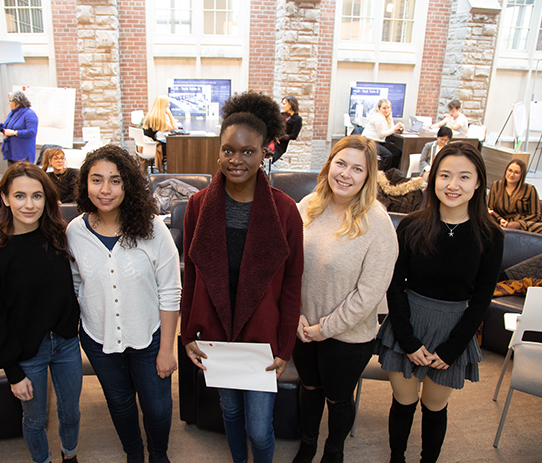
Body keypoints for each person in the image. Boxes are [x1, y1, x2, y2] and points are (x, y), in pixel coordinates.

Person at [181, 91, 304, 463]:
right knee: (230, 413)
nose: (236, 160)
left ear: (265, 151)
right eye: (228, 150)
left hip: (261, 342)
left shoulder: (285, 211)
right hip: (217, 337)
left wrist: (285, 347)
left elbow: (293, 284)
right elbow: (191, 277)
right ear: (219, 151)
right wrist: (187, 333)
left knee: (260, 427)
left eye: (247, 151)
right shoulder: (198, 205)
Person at [376, 142, 504, 463]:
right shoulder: (412, 225)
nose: (453, 185)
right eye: (445, 175)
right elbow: (395, 286)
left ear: (478, 183)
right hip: (409, 323)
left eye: (464, 177)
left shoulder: (490, 235)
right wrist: (406, 339)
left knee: (434, 407)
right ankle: (397, 458)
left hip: (453, 328)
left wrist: (453, 347)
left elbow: (481, 299)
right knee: (403, 402)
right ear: (433, 179)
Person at [67, 145, 181, 463]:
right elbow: (77, 282)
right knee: (120, 403)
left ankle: (158, 454)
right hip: (98, 338)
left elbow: (171, 291)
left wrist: (167, 349)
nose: (105, 190)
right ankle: (134, 453)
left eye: (115, 180)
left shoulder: (153, 229)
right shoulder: (75, 232)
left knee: (157, 407)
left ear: (128, 185)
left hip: (149, 336)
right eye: (97, 180)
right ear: (85, 184)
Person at [293, 135, 398, 463]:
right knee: (309, 389)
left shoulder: (377, 223)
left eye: (357, 169)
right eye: (341, 163)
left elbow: (370, 293)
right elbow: (287, 266)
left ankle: (333, 452)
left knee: (338, 399)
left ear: (368, 177)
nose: (346, 174)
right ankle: (307, 445)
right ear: (329, 165)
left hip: (347, 336)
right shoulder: (308, 205)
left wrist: (325, 329)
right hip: (302, 327)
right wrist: (294, 315)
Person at [0, 163, 82, 463]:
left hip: (65, 343)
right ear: (6, 198)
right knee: (35, 420)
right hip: (25, 352)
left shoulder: (60, 238)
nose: (29, 204)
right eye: (20, 196)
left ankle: (69, 454)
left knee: (72, 412)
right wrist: (13, 371)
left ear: (47, 199)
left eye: (37, 196)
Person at [487, 158, 542, 235]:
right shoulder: (496, 185)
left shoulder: (530, 189)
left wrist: (517, 223)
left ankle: (508, 229)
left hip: (524, 222)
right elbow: (489, 209)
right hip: (502, 220)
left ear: (522, 175)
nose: (511, 175)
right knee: (487, 223)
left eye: (516, 172)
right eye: (510, 170)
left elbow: (535, 215)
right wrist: (500, 219)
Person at [0, 90, 39, 165]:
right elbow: (7, 130)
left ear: (17, 103)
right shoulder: (12, 113)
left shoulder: (29, 114)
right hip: (11, 152)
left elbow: (31, 132)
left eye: (10, 101)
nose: (8, 103)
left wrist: (14, 133)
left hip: (23, 153)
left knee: (22, 175)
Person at [361, 99, 404, 171]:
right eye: (384, 108)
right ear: (379, 108)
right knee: (388, 155)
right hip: (370, 141)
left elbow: (391, 129)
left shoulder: (387, 117)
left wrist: (399, 127)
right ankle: (381, 175)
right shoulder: (378, 117)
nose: (386, 110)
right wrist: (394, 128)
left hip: (380, 141)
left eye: (388, 108)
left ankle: (391, 173)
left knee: (397, 152)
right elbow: (381, 134)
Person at [142, 95, 177, 172]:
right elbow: (174, 128)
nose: (169, 104)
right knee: (174, 147)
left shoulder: (151, 115)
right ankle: (173, 171)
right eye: (168, 103)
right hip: (152, 147)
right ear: (164, 105)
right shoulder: (158, 118)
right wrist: (169, 113)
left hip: (147, 145)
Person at [273, 95, 303, 163]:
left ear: (290, 105)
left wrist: (280, 137)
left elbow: (294, 136)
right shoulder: (280, 115)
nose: (282, 106)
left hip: (279, 146)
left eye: (284, 104)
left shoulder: (297, 119)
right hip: (270, 140)